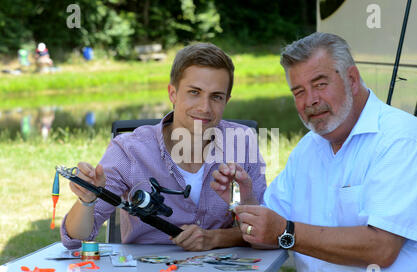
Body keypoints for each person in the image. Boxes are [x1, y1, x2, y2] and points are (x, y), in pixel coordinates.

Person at [212, 32, 417, 272]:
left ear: (352, 79)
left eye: (320, 84)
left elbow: (381, 249)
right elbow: (267, 233)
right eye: (299, 91)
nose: (310, 100)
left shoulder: (403, 140)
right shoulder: (307, 149)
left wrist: (285, 231)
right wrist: (241, 200)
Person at [60, 43, 266, 252]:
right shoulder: (129, 150)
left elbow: (265, 230)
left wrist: (215, 238)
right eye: (194, 92)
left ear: (226, 100)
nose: (205, 107)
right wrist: (87, 201)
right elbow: (75, 239)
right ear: (173, 93)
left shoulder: (242, 142)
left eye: (216, 97)